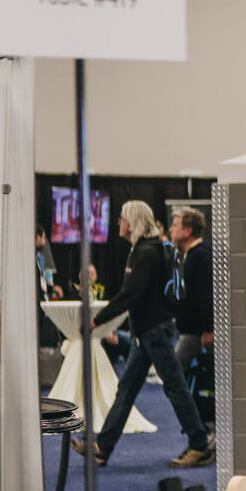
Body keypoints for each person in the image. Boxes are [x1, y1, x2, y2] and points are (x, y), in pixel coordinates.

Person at [71, 200, 213, 468]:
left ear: (133, 221)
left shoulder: (146, 253)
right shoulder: (144, 250)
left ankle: (199, 445)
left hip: (154, 331)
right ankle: (103, 446)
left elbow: (130, 295)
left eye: (122, 218)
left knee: (175, 387)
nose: (119, 224)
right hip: (146, 332)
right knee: (127, 389)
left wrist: (96, 321)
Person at [169, 206, 213, 373]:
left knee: (174, 376)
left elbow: (206, 294)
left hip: (197, 332)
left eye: (175, 225)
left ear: (188, 231)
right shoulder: (192, 255)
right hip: (193, 330)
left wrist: (209, 329)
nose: (171, 229)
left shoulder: (199, 256)